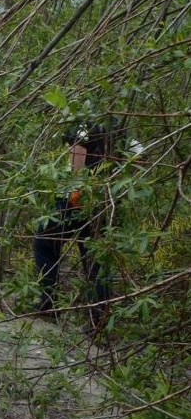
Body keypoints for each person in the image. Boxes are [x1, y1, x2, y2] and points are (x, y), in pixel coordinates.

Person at [32, 119, 128, 330]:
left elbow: (78, 151)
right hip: (105, 202)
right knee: (95, 258)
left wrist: (77, 187)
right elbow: (141, 158)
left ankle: (48, 304)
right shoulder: (121, 129)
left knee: (45, 243)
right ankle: (98, 319)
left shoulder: (85, 123)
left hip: (75, 199)